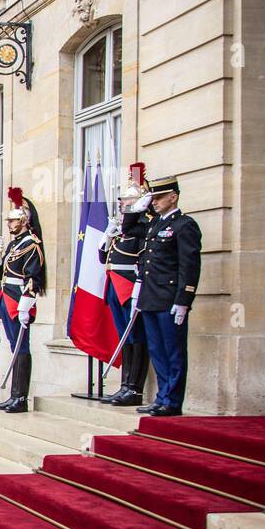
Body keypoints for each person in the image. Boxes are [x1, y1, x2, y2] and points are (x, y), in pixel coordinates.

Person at [135, 175, 200, 416]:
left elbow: (189, 266)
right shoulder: (154, 224)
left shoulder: (185, 225)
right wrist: (135, 208)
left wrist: (184, 300)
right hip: (151, 297)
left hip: (170, 299)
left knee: (173, 351)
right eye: (152, 198)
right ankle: (162, 396)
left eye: (159, 197)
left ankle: (172, 401)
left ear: (173, 197)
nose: (154, 202)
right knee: (157, 350)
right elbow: (130, 229)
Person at [97, 162, 153, 406]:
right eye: (122, 202)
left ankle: (135, 388)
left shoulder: (144, 228)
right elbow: (103, 257)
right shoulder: (121, 230)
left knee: (136, 336)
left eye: (128, 203)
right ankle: (124, 385)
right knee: (124, 337)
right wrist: (108, 235)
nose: (122, 206)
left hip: (131, 287)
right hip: (115, 286)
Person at [0, 187, 46, 414]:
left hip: (19, 299)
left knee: (21, 347)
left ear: (24, 220)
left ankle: (20, 397)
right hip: (6, 297)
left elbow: (34, 275)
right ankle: (14, 394)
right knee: (14, 347)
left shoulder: (32, 243)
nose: (9, 224)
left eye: (13, 220)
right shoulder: (14, 244)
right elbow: (0, 274)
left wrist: (26, 303)